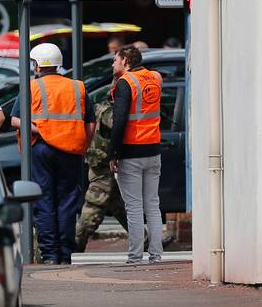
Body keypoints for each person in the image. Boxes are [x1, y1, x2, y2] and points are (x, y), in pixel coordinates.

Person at [11, 43, 94, 265]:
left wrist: (42, 130)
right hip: (71, 150)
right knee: (67, 201)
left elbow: (15, 120)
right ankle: (65, 254)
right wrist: (83, 145)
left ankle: (49, 255)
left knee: (44, 200)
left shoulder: (31, 87)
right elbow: (91, 123)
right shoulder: (78, 87)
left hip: (41, 148)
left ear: (37, 65)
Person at [109, 45, 164, 264]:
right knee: (152, 204)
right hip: (153, 148)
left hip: (131, 150)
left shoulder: (126, 83)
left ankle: (135, 256)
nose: (113, 64)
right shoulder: (153, 78)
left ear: (125, 60)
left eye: (115, 59)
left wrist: (112, 152)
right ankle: (156, 255)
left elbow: (120, 120)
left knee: (133, 207)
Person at [75, 94, 129, 252]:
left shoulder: (100, 107)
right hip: (104, 167)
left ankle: (145, 239)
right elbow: (117, 124)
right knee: (93, 208)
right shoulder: (108, 112)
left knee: (120, 207)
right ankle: (76, 244)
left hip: (100, 164)